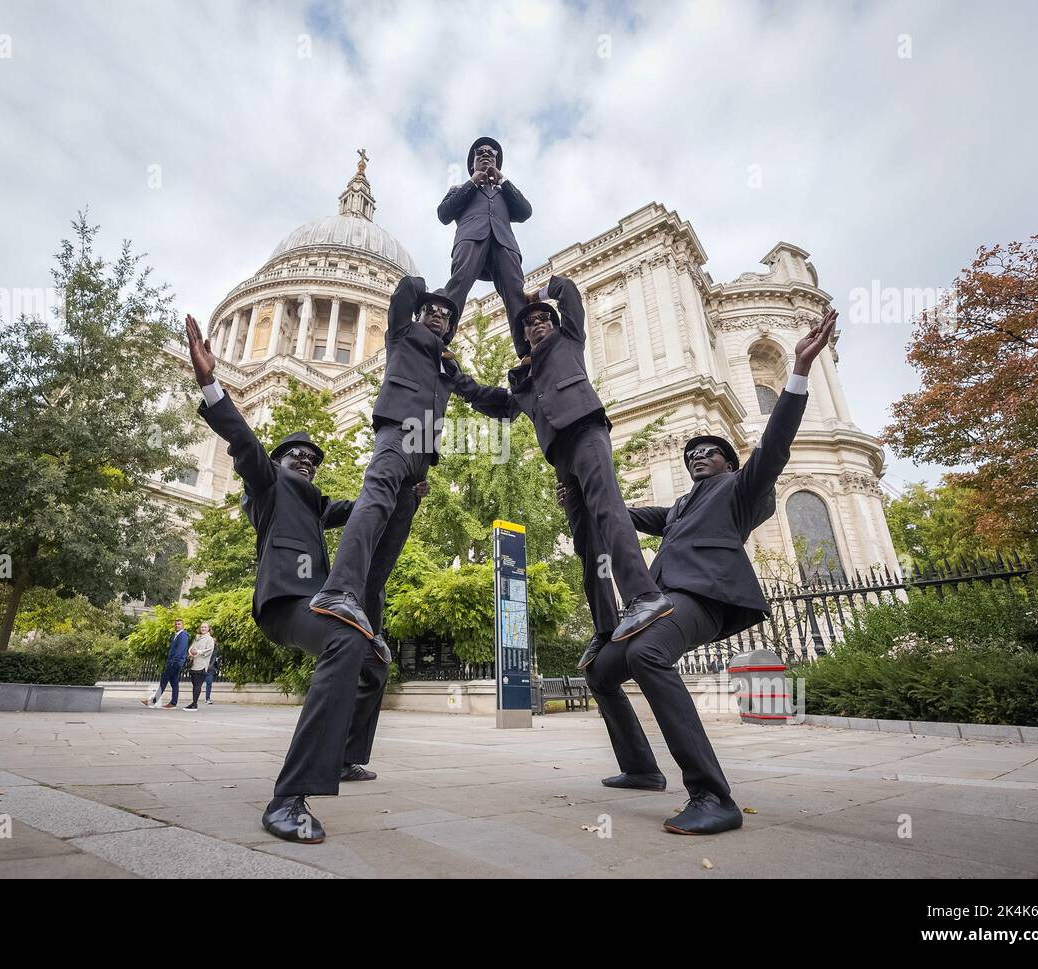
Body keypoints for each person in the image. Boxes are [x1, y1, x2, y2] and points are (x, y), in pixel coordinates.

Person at [566, 308, 838, 835]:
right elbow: (614, 513)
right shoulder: (676, 511)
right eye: (694, 452)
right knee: (601, 673)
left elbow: (776, 444)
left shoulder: (741, 492)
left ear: (730, 464)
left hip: (705, 598)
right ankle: (642, 768)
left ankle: (713, 795)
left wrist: (800, 371)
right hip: (663, 602)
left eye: (712, 451)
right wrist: (579, 484)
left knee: (647, 654)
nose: (700, 456)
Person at [185, 313, 426, 843]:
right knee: (347, 636)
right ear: (279, 461)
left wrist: (407, 484)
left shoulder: (315, 504)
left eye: (314, 460)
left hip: (317, 601)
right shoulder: (268, 485)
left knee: (374, 658)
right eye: (298, 455)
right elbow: (244, 443)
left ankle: (345, 758)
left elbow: (369, 504)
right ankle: (288, 797)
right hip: (285, 604)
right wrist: (210, 384)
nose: (307, 463)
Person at [309, 275, 512, 642]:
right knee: (372, 506)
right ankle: (338, 590)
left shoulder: (447, 366)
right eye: (430, 310)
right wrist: (433, 292)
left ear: (451, 328)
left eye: (444, 315)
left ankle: (368, 622)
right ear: (418, 315)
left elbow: (479, 395)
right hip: (397, 432)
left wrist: (522, 400)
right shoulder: (402, 334)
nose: (437, 315)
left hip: (421, 457)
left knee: (392, 541)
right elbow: (405, 289)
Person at [485, 274, 676, 649]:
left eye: (543, 319)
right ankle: (605, 628)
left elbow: (569, 291)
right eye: (529, 322)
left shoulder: (569, 339)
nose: (537, 323)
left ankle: (645, 595)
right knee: (586, 542)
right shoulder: (527, 378)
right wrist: (454, 376)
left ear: (554, 324)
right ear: (523, 337)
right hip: (561, 456)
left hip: (586, 430)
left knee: (608, 509)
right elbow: (499, 405)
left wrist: (534, 294)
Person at [438, 136, 533, 340]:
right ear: (472, 163)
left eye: (492, 153)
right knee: (458, 286)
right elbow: (444, 214)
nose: (486, 155)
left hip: (504, 244)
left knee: (515, 294)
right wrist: (473, 182)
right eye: (480, 152)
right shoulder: (459, 189)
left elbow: (525, 212)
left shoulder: (505, 192)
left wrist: (502, 181)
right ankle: (439, 340)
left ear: (497, 163)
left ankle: (526, 350)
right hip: (471, 238)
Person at [141, 618, 189, 709]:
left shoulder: (183, 635)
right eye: (176, 624)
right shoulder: (177, 635)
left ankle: (153, 701)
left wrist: (172, 661)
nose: (177, 625)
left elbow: (180, 650)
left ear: (183, 625)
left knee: (164, 680)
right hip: (175, 662)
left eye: (179, 624)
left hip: (175, 662)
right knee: (174, 683)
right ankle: (173, 703)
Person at [182, 622, 215, 711]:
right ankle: (193, 703)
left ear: (208, 629)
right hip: (194, 664)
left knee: (197, 685)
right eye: (202, 627)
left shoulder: (210, 639)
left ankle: (194, 704)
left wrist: (198, 652)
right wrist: (191, 652)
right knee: (194, 685)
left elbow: (209, 650)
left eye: (205, 627)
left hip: (202, 665)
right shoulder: (197, 638)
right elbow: (191, 648)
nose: (203, 628)